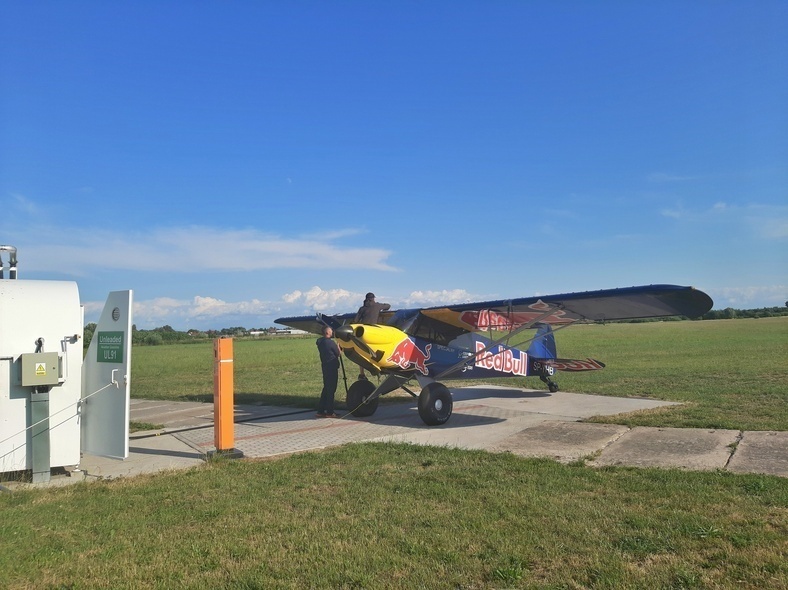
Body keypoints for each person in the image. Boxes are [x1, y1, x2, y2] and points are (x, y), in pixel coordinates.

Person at [353, 292, 391, 380]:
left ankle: (362, 374)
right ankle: (381, 368)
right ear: (373, 299)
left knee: (361, 353)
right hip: (373, 333)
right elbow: (388, 306)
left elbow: (355, 320)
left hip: (362, 334)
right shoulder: (377, 306)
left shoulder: (362, 309)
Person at [315, 325, 341, 418]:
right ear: (327, 332)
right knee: (331, 390)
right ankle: (330, 412)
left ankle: (320, 410)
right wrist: (338, 346)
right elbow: (338, 353)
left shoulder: (320, 342)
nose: (332, 332)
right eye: (331, 331)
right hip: (332, 368)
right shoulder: (330, 343)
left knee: (326, 388)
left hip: (325, 367)